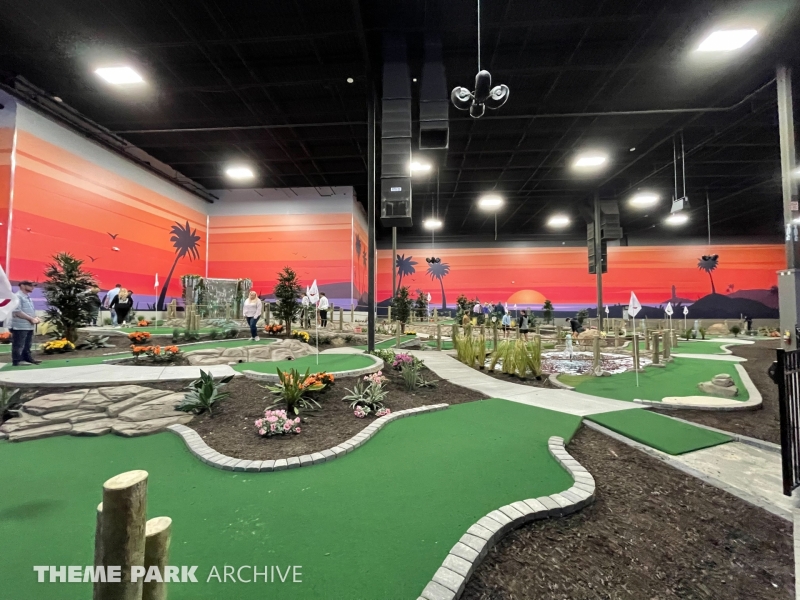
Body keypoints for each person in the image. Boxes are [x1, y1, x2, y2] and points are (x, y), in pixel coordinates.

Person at [10, 280, 41, 366]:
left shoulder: (27, 297)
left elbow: (29, 310)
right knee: (19, 344)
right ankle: (17, 360)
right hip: (19, 325)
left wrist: (35, 318)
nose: (32, 287)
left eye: (33, 285)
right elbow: (17, 312)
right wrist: (31, 319)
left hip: (28, 325)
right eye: (30, 285)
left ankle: (27, 358)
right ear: (22, 286)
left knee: (27, 344)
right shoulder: (17, 297)